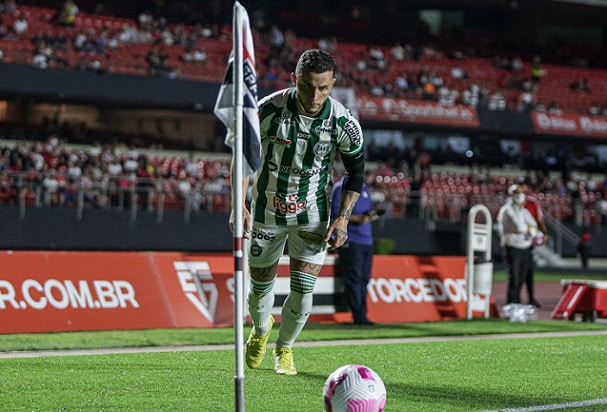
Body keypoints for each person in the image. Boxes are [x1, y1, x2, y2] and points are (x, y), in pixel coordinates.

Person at [230, 49, 365, 375]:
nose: (315, 95)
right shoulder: (266, 110)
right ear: (294, 80)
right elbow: (244, 158)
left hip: (312, 215)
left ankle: (285, 348)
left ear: (333, 84)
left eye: (323, 88)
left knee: (303, 288)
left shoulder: (344, 123)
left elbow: (356, 171)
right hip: (266, 213)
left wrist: (342, 218)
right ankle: (261, 331)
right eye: (307, 86)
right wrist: (239, 204)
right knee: (260, 286)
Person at [331, 176, 376, 325]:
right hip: (352, 240)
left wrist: (370, 215)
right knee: (355, 279)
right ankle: (359, 316)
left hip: (366, 240)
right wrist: (359, 219)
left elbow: (366, 210)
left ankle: (362, 313)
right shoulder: (340, 187)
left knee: (364, 279)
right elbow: (336, 215)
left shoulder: (364, 188)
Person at [497, 184, 538, 305]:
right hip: (513, 248)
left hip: (525, 247)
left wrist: (530, 229)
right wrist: (529, 229)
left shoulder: (524, 211)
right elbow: (519, 227)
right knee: (514, 279)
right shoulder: (507, 209)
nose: (521, 195)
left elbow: (534, 226)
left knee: (521, 279)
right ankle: (511, 304)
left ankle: (517, 304)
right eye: (517, 192)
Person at [516, 177, 548, 307]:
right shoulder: (511, 203)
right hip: (516, 241)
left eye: (524, 185)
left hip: (528, 242)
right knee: (516, 271)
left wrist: (544, 233)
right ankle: (515, 298)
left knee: (529, 270)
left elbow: (539, 220)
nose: (522, 187)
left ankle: (530, 297)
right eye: (520, 185)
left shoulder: (532, 203)